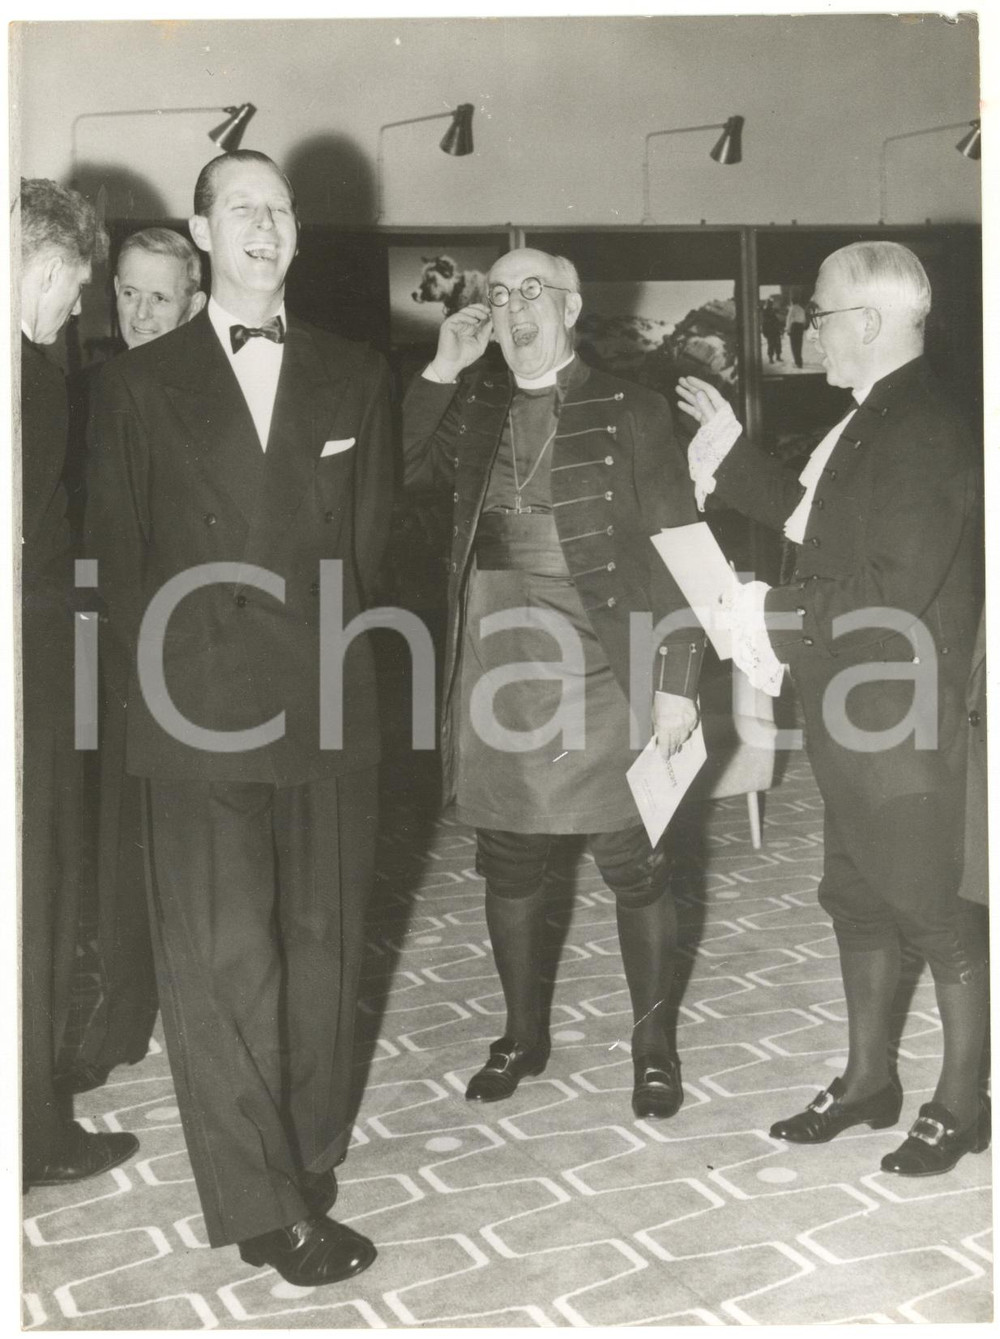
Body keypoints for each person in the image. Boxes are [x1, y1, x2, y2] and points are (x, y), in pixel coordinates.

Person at [85, 151, 392, 1285]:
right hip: (195, 704)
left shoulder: (357, 374)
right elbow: (117, 569)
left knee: (320, 952)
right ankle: (264, 1204)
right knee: (225, 963)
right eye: (240, 208)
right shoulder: (132, 386)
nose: (264, 225)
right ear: (203, 235)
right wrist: (164, 701)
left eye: (280, 209)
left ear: (297, 236)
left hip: (325, 701)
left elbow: (369, 548)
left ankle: (302, 1161)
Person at [678, 240, 989, 1176]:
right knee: (855, 895)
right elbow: (818, 523)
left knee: (935, 910)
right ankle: (867, 1083)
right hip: (855, 705)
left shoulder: (926, 424)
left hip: (903, 713)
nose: (807, 330)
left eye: (816, 315)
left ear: (868, 322)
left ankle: (963, 1101)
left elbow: (888, 587)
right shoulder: (869, 418)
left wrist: (764, 608)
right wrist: (732, 457)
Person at [403, 248, 704, 1119]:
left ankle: (653, 1043)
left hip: (603, 650)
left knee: (631, 859)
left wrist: (678, 678)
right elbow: (402, 474)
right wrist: (441, 367)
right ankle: (522, 1032)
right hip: (497, 653)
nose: (512, 307)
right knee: (509, 853)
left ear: (571, 307)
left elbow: (683, 550)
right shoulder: (475, 399)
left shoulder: (632, 408)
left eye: (531, 291)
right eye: (497, 295)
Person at [64, 228, 207, 1097]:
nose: (142, 311)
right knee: (119, 843)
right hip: (115, 654)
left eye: (160, 295)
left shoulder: (221, 390)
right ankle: (120, 1017)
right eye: (128, 292)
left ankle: (205, 1017)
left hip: (206, 656)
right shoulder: (88, 393)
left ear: (192, 299)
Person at [19, 177, 140, 1189]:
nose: (73, 313)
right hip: (30, 682)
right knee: (40, 896)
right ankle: (34, 1132)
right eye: (75, 292)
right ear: (49, 266)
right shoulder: (34, 378)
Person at [114, 226, 207, 349]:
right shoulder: (107, 368)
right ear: (117, 288)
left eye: (159, 298)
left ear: (195, 306)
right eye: (130, 293)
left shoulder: (215, 367)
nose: (141, 313)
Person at [785, 297, 807, 368]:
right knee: (799, 345)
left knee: (794, 345)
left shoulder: (792, 308)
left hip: (794, 327)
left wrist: (788, 329)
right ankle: (799, 361)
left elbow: (789, 319)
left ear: (792, 302)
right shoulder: (801, 309)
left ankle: (797, 362)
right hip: (800, 327)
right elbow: (804, 320)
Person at [761, 298, 784, 364]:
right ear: (768, 304)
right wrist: (764, 332)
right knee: (771, 345)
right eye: (770, 303)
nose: (771, 305)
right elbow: (764, 323)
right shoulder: (765, 312)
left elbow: (776, 320)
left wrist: (780, 328)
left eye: (771, 303)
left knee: (778, 344)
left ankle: (778, 356)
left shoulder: (772, 311)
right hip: (770, 331)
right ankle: (771, 358)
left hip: (775, 330)